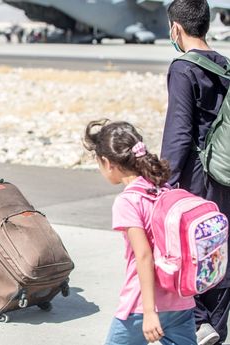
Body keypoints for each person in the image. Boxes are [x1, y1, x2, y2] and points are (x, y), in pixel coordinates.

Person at [83, 120, 197, 345]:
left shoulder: (128, 201)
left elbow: (143, 256)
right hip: (181, 300)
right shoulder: (163, 189)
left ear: (107, 162)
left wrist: (149, 312)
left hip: (141, 305)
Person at [161, 1, 230, 344]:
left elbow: (179, 132)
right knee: (220, 247)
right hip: (225, 175)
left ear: (176, 28)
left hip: (197, 179)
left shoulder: (183, 69)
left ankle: (199, 325)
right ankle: (217, 325)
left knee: (193, 249)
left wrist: (164, 182)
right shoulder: (225, 66)